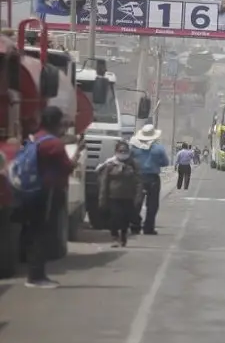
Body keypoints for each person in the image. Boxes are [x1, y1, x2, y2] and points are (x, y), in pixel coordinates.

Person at [20, 106, 83, 288]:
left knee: (33, 232)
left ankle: (35, 275)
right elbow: (67, 167)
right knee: (42, 234)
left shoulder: (36, 137)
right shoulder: (54, 144)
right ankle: (36, 277)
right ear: (56, 123)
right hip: (48, 192)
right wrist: (77, 152)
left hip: (31, 189)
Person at [98, 140, 143, 248]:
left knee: (125, 218)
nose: (123, 153)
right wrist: (102, 198)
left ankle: (123, 237)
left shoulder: (133, 164)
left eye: (125, 151)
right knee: (115, 217)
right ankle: (114, 237)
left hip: (128, 197)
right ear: (116, 151)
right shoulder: (110, 164)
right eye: (120, 151)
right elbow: (104, 182)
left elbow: (139, 181)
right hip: (113, 197)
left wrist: (138, 196)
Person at [129, 124, 170, 235]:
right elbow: (165, 162)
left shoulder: (134, 147)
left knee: (136, 202)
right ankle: (148, 228)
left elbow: (129, 161)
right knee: (152, 205)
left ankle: (135, 225)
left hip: (138, 178)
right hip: (153, 179)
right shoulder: (159, 149)